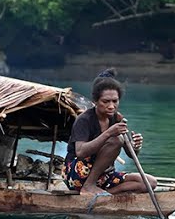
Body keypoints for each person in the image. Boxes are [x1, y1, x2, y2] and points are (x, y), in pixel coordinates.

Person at [62, 67, 157, 196]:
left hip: (104, 176)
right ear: (95, 101)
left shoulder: (117, 118)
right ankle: (89, 187)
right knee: (115, 140)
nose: (111, 106)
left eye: (115, 101)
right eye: (106, 102)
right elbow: (80, 152)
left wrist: (136, 146)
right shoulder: (84, 120)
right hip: (78, 175)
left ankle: (105, 194)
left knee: (150, 183)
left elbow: (130, 153)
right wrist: (108, 133)